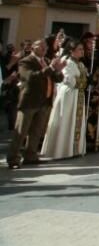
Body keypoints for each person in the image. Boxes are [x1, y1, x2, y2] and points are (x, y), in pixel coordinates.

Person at [7, 40, 66, 168]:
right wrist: (50, 68)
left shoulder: (47, 60)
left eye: (46, 46)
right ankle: (13, 158)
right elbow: (31, 77)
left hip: (45, 101)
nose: (44, 48)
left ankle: (31, 155)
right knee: (21, 131)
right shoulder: (26, 61)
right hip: (30, 101)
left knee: (36, 131)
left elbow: (58, 79)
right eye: (41, 46)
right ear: (33, 47)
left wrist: (58, 71)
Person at [40, 40, 88, 160]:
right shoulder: (67, 61)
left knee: (74, 121)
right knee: (65, 120)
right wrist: (83, 82)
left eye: (82, 49)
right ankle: (61, 150)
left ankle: (73, 149)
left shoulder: (80, 64)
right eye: (80, 49)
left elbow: (83, 78)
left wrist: (85, 81)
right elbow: (69, 79)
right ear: (72, 51)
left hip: (78, 95)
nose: (82, 51)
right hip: (68, 94)